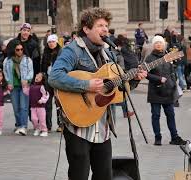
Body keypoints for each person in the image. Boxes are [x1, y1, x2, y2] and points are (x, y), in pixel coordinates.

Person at [48, 7, 147, 180]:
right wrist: (86, 85)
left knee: (104, 175)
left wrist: (134, 78)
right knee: (79, 175)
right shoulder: (72, 50)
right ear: (86, 29)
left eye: (106, 26)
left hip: (102, 126)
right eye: (100, 25)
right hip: (78, 125)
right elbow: (54, 77)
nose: (105, 29)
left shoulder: (109, 54)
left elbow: (118, 90)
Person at [144, 35, 186, 146]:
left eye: (160, 43)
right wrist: (158, 79)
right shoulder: (149, 58)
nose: (158, 44)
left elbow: (173, 72)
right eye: (156, 43)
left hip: (168, 91)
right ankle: (158, 138)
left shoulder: (168, 56)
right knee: (156, 115)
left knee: (171, 115)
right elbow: (145, 74)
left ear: (164, 44)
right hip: (155, 91)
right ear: (153, 45)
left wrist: (173, 83)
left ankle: (174, 137)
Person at [3, 40, 33, 136]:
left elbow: (31, 72)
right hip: (13, 87)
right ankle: (19, 125)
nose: (20, 51)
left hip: (24, 86)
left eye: (21, 49)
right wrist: (8, 82)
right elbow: (5, 72)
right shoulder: (7, 61)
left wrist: (27, 80)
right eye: (17, 49)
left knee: (24, 107)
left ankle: (23, 126)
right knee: (16, 108)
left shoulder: (27, 60)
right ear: (13, 50)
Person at [41, 34, 62, 132]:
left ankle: (60, 124)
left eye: (53, 41)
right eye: (49, 42)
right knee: (47, 104)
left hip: (58, 80)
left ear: (56, 42)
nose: (51, 44)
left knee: (59, 103)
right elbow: (43, 66)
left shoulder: (61, 52)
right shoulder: (45, 52)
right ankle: (48, 125)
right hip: (48, 80)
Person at [30, 72, 49, 137]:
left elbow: (46, 95)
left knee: (42, 119)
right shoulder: (31, 86)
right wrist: (24, 87)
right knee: (33, 119)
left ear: (42, 79)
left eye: (39, 77)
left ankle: (44, 130)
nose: (37, 77)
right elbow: (27, 92)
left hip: (41, 107)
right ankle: (37, 129)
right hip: (33, 106)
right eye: (37, 76)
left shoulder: (42, 87)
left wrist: (42, 100)